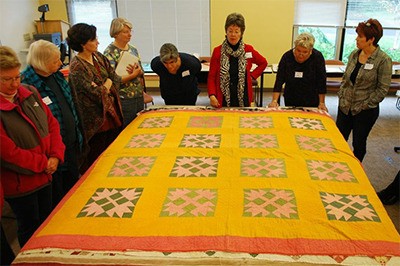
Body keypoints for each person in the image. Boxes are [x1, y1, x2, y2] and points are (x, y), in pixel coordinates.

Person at [0, 46, 65, 247]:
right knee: (29, 226)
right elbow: (8, 153)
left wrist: (55, 156)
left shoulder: (28, 92)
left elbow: (52, 124)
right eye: (7, 79)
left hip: (46, 174)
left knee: (48, 219)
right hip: (21, 184)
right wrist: (43, 163)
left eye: (17, 77)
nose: (15, 83)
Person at [21, 40, 84, 207]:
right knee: (57, 195)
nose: (60, 63)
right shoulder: (27, 84)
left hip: (68, 143)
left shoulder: (56, 75)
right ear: (42, 62)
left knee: (73, 187)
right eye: (55, 60)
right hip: (50, 153)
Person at [66, 23, 124, 174]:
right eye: (93, 39)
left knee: (112, 148)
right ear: (82, 44)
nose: (98, 42)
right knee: (97, 154)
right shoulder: (76, 67)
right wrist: (105, 86)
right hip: (95, 120)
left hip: (111, 113)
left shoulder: (98, 57)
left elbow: (114, 78)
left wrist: (106, 84)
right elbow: (95, 93)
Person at [336, 18, 392, 162]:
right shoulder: (355, 54)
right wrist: (342, 95)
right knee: (338, 141)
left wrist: (364, 105)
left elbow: (382, 89)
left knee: (358, 144)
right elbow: (345, 79)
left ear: (371, 39)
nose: (357, 39)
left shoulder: (383, 60)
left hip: (365, 111)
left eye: (360, 36)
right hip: (345, 106)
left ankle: (356, 171)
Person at [207, 12, 267, 108]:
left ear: (241, 33)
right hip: (223, 97)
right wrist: (212, 95)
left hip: (243, 96)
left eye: (236, 31)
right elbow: (211, 77)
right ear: (226, 31)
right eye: (230, 31)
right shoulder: (217, 51)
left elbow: (263, 63)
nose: (233, 35)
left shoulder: (248, 49)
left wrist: (252, 76)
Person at [268, 32, 328, 111]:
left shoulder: (317, 57)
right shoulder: (287, 57)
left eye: (305, 52)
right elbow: (279, 80)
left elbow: (321, 81)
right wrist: (274, 100)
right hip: (291, 95)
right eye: (298, 50)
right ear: (295, 47)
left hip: (311, 96)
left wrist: (322, 103)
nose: (301, 54)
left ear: (310, 51)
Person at [104, 18, 147, 127]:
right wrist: (133, 75)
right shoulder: (109, 52)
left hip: (138, 94)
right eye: (125, 32)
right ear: (116, 34)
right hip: (123, 97)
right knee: (127, 126)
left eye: (130, 31)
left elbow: (141, 70)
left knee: (139, 124)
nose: (129, 34)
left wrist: (138, 72)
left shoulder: (133, 49)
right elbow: (112, 79)